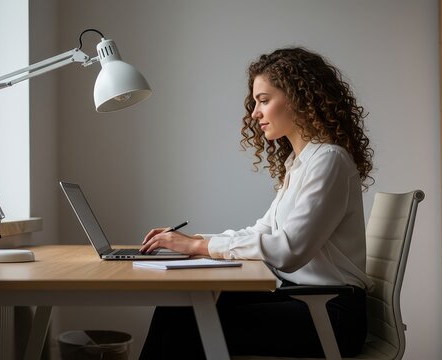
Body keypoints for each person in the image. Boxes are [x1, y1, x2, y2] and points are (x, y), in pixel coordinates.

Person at [138, 47, 374, 359]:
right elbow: (262, 231)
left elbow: (287, 252)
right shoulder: (300, 163)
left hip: (331, 315)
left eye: (264, 100)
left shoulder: (328, 160)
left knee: (186, 327)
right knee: (176, 310)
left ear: (299, 97)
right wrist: (195, 241)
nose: (254, 113)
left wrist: (196, 248)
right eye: (255, 102)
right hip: (305, 300)